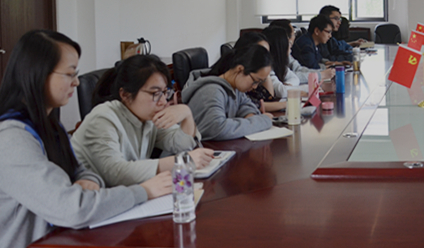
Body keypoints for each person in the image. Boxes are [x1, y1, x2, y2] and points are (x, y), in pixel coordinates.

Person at [0, 30, 171, 248]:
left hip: (64, 237)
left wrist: (90, 181)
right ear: (39, 74)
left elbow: (80, 170)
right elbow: (71, 208)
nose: (77, 83)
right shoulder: (11, 139)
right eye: (69, 74)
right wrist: (144, 191)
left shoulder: (50, 125)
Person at [71, 55, 214, 187]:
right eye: (155, 93)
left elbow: (181, 145)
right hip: (92, 197)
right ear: (125, 94)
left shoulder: (147, 116)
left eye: (165, 92)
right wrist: (180, 161)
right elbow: (116, 173)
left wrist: (186, 114)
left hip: (126, 194)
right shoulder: (103, 118)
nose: (163, 101)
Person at [182, 44, 274, 140]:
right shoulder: (211, 91)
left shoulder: (235, 88)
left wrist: (250, 117)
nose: (255, 86)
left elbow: (247, 106)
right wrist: (262, 121)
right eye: (255, 81)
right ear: (240, 69)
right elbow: (217, 129)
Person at [268, 19, 334, 84]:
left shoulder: (286, 53)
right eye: (294, 33)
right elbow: (292, 76)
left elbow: (298, 68)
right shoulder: (305, 45)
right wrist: (320, 75)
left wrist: (323, 72)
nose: (295, 36)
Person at [262, 25, 300, 100]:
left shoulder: (279, 64)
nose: (290, 47)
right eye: (287, 43)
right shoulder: (266, 66)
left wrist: (287, 85)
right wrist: (300, 90)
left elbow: (295, 78)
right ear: (280, 48)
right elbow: (281, 92)